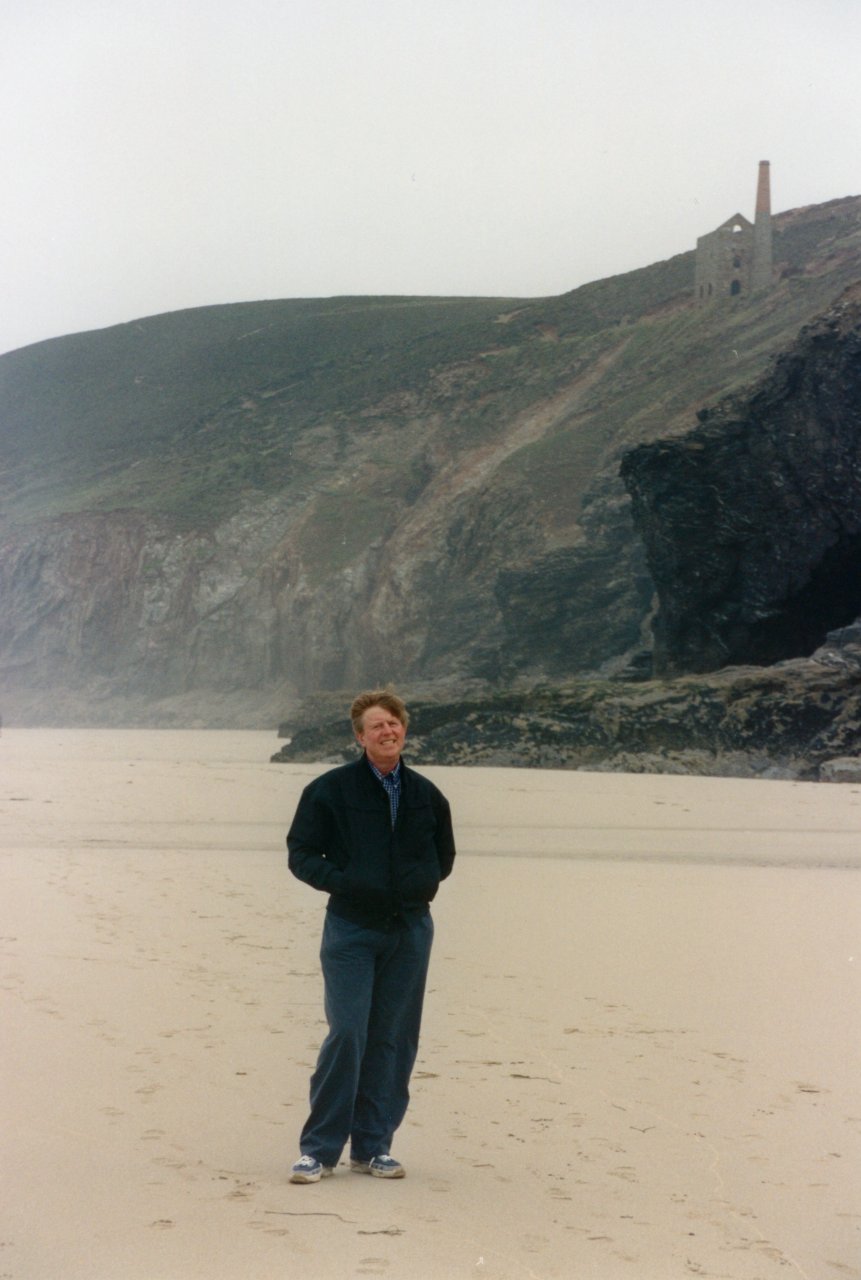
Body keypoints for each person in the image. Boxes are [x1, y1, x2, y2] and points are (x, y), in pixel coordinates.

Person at [286, 690, 456, 1183]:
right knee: (347, 1033)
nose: (387, 731)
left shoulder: (427, 795)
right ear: (359, 737)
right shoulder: (331, 790)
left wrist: (417, 888)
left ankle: (373, 1146)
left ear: (405, 730)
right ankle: (318, 1150)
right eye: (376, 726)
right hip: (352, 929)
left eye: (394, 724)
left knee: (394, 1039)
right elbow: (301, 853)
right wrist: (348, 884)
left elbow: (442, 857)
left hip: (409, 930)